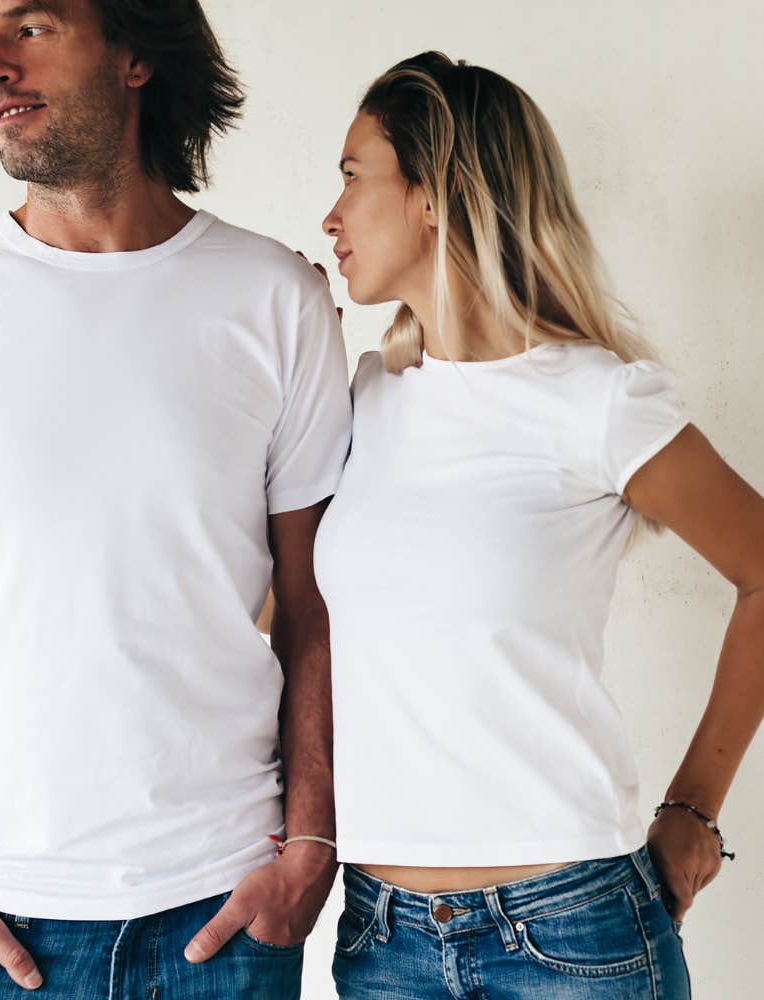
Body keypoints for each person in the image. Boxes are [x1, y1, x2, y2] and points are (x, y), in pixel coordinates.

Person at [0, 1, 351, 997]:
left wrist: (312, 843)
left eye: (29, 27)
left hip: (225, 911)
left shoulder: (274, 298)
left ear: (136, 55)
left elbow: (316, 604)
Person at [314, 51, 764, 998]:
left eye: (354, 177)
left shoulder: (598, 400)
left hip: (570, 934)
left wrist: (693, 809)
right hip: (380, 937)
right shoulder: (366, 399)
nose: (332, 214)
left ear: (435, 194)